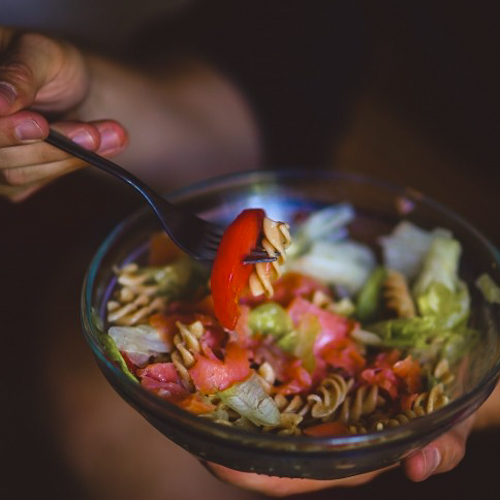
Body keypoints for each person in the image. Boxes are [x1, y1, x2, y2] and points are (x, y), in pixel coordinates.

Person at [1, 16, 499, 498]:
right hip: (334, 170)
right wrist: (89, 97)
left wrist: (483, 395)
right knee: (87, 381)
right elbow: (267, 74)